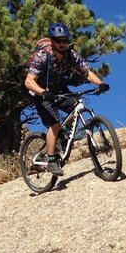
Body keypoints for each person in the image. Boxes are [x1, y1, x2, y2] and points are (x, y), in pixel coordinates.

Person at [24, 22, 109, 176]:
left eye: (65, 40)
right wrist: (43, 92)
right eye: (58, 40)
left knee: (76, 106)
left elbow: (86, 71)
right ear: (52, 41)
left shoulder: (70, 55)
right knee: (54, 124)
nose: (62, 44)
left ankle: (62, 137)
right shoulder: (42, 56)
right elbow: (29, 81)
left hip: (57, 89)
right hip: (39, 92)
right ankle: (51, 161)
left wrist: (100, 83)